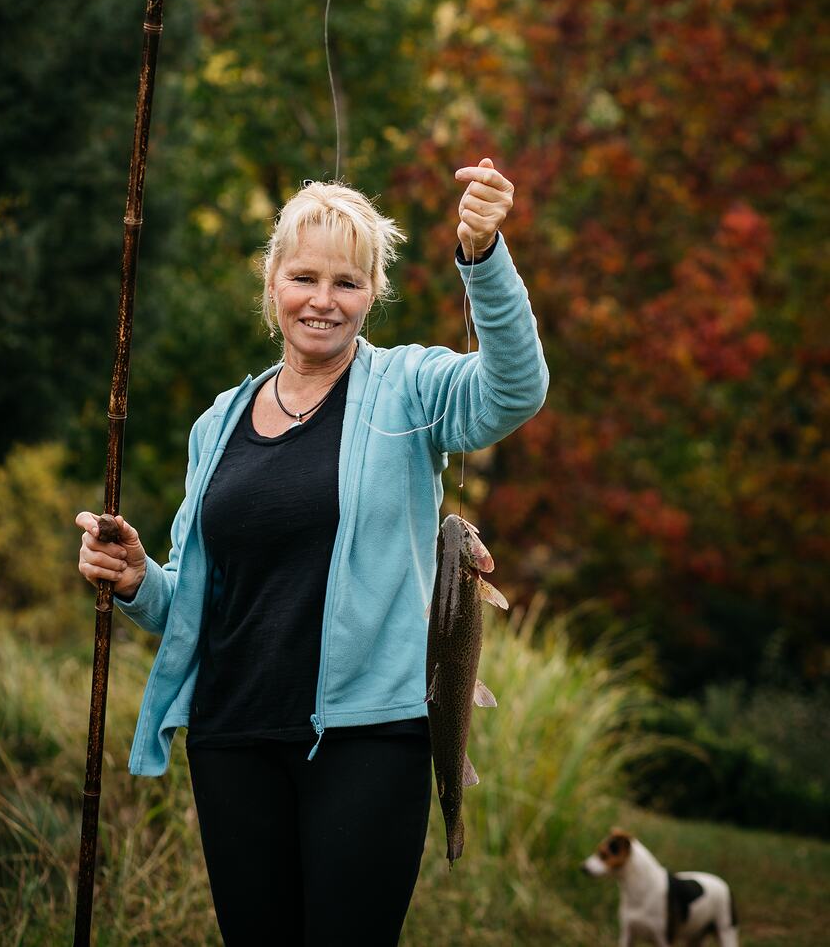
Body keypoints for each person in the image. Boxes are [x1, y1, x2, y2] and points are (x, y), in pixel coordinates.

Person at [76, 158, 548, 946]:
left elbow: (515, 388)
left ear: (373, 294)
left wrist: (482, 255)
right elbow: (194, 600)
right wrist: (135, 580)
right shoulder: (218, 422)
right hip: (233, 739)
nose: (323, 301)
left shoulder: (411, 390)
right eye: (304, 277)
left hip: (371, 741)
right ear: (272, 285)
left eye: (348, 283)